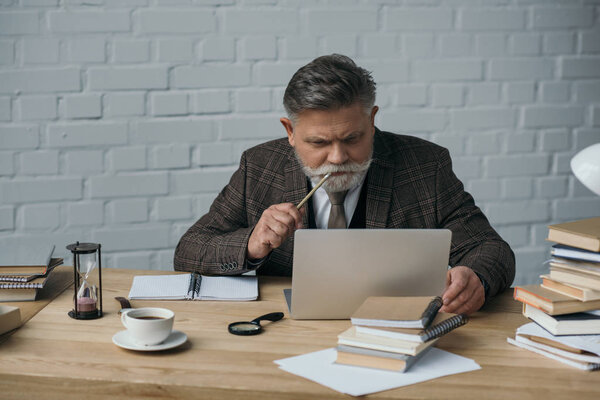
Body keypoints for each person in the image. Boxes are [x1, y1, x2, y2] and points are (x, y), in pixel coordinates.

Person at [174, 54, 515, 315]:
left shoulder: (425, 165)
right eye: (319, 143)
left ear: (372, 119)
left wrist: (476, 278)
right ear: (290, 132)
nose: (337, 158)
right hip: (285, 332)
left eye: (353, 137)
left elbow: (493, 249)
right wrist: (250, 244)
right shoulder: (259, 166)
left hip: (393, 327)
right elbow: (189, 250)